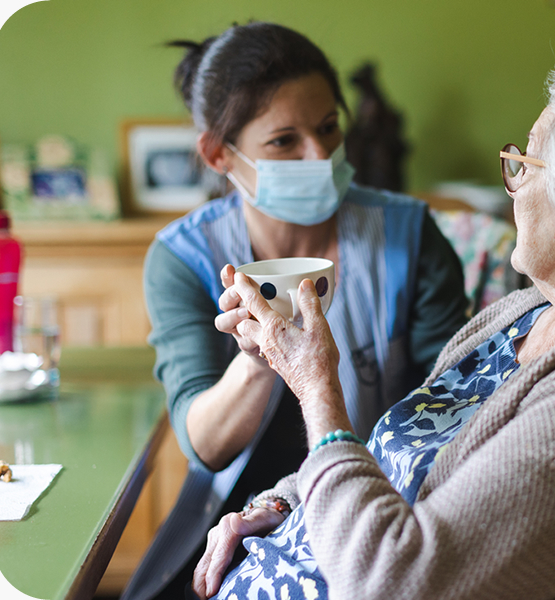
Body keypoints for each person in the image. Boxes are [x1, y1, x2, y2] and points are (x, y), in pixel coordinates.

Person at [193, 41, 555, 600]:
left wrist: (316, 386)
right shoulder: (523, 315)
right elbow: (394, 454)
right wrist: (281, 504)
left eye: (524, 163)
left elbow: (399, 582)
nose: (514, 186)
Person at [123, 22, 468, 600]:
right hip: (227, 522)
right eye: (285, 141)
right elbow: (204, 444)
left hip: (379, 498)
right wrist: (260, 359)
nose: (321, 155)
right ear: (217, 153)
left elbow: (449, 408)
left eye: (330, 127)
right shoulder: (183, 258)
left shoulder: (408, 237)